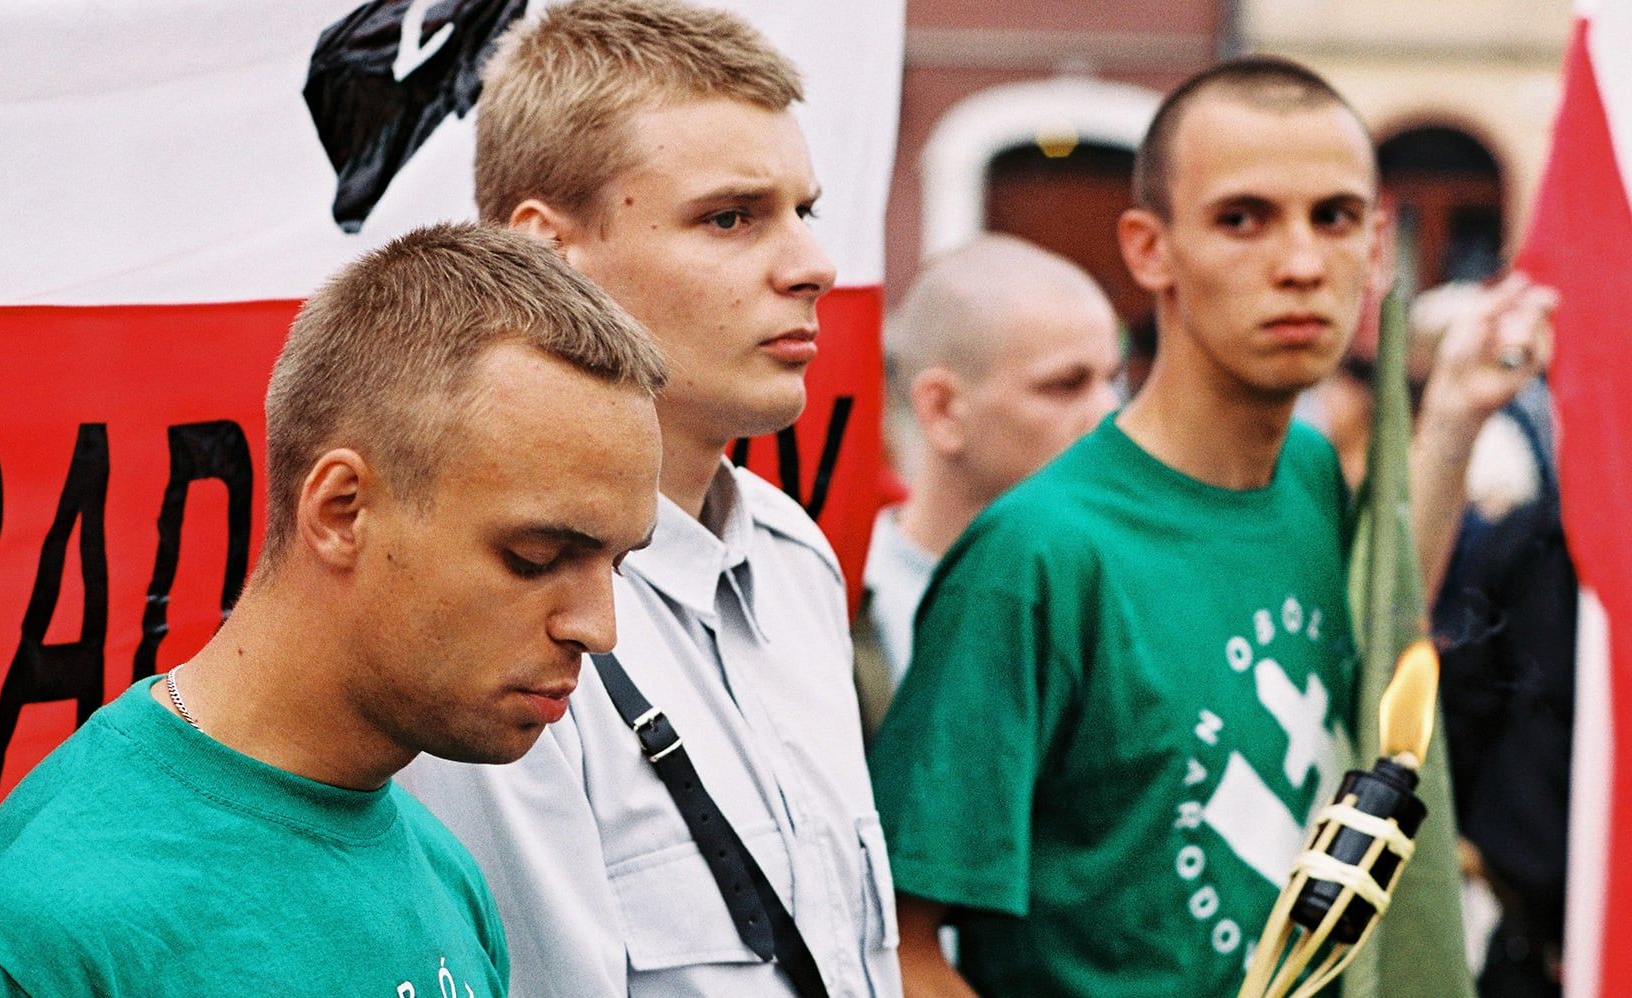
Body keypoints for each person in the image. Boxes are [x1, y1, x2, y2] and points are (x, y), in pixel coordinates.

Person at [867, 58, 1553, 997]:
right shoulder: (1037, 556)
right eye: (1242, 219)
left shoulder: (1308, 472)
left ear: (1375, 246)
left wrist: (1457, 415)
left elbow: (1377, 640)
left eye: (1334, 217)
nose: (1301, 264)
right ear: (1150, 249)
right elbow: (899, 948)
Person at [0, 223, 667, 997]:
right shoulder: (32, 944)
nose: (598, 629)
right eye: (536, 557)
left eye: (619, 563)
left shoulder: (442, 869)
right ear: (342, 511)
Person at [398, 2, 899, 996]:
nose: (812, 266)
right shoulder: (482, 612)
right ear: (547, 252)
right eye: (730, 218)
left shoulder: (794, 556)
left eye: (804, 211)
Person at [856, 235, 1121, 735]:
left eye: (1113, 379)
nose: (1109, 415)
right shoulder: (836, 599)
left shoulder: (1127, 586)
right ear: (943, 408)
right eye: (1065, 385)